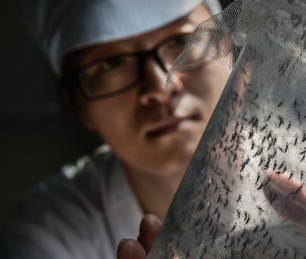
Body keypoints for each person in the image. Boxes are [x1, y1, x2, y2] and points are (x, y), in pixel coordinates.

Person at [1, 0, 231, 258]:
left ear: (230, 48)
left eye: (182, 41)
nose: (160, 87)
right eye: (111, 64)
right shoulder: (50, 236)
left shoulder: (286, 170)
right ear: (77, 104)